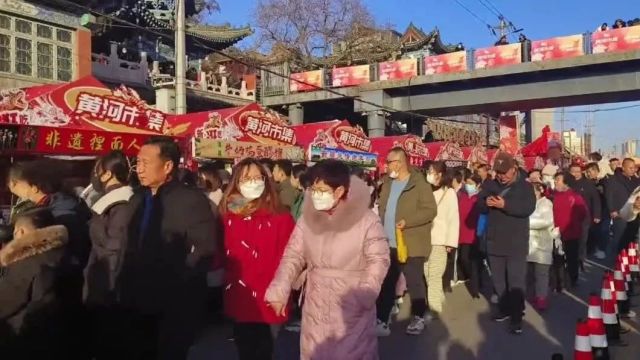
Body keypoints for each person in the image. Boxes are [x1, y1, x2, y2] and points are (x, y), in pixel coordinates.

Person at [266, 159, 390, 360]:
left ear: (339, 190)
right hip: (315, 299)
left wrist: (365, 294)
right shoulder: (309, 218)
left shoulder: (366, 220)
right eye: (313, 189)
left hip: (350, 301)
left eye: (321, 190)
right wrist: (280, 288)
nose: (316, 195)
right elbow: (293, 255)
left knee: (351, 353)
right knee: (315, 351)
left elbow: (378, 259)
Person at [118, 137, 219, 360]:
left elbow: (205, 249)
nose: (139, 168)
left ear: (168, 166)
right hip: (135, 298)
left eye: (146, 162)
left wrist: (180, 278)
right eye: (137, 162)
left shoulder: (190, 200)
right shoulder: (137, 200)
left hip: (175, 302)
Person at [220, 158, 295, 360]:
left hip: (271, 296)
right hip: (240, 295)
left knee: (264, 350)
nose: (253, 182)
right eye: (246, 178)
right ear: (237, 182)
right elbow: (219, 252)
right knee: (245, 349)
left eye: (257, 177)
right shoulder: (227, 215)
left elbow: (292, 257)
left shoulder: (281, 216)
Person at [378, 148, 437, 335]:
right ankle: (381, 318)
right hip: (389, 242)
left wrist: (408, 221)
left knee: (414, 281)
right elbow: (382, 207)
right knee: (387, 282)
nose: (386, 165)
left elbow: (430, 210)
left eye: (389, 162)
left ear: (400, 162)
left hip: (412, 242)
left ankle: (419, 316)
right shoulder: (387, 183)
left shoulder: (419, 184)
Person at [477, 152, 536, 335]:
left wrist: (505, 206)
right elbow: (478, 205)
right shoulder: (490, 184)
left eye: (504, 172)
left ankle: (517, 317)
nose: (501, 175)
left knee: (516, 282)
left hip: (516, 242)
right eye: (498, 172)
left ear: (514, 169)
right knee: (499, 281)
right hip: (495, 241)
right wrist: (485, 203)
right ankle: (504, 309)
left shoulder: (525, 187)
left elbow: (528, 208)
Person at [83, 151, 134, 359]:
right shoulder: (108, 199)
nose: (94, 175)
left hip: (110, 283)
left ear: (109, 173)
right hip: (103, 276)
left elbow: (117, 245)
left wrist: (106, 285)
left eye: (98, 170)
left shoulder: (120, 202)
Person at [0, 208, 69, 360]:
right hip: (59, 339)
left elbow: (6, 302)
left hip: (23, 340)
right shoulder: (62, 254)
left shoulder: (26, 264)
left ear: (22, 232)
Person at [426, 162, 459, 314]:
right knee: (427, 274)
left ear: (441, 174)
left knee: (434, 275)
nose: (430, 174)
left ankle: (434, 310)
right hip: (425, 240)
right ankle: (437, 298)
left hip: (440, 241)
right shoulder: (426, 191)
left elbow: (453, 219)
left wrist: (450, 242)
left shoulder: (449, 193)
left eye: (432, 171)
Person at [552, 172, 589, 288]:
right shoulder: (553, 196)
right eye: (555, 179)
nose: (555, 182)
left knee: (572, 258)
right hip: (556, 233)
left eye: (558, 179)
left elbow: (583, 213)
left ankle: (573, 279)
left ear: (566, 182)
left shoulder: (575, 197)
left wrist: (573, 224)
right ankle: (559, 282)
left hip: (571, 233)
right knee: (557, 259)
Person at [527, 182, 556, 311]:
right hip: (528, 244)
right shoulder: (527, 203)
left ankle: (541, 297)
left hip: (542, 244)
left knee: (541, 273)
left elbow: (546, 221)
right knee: (530, 273)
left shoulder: (546, 204)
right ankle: (535, 294)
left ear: (540, 191)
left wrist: (525, 223)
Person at [605, 158, 640, 255]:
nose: (633, 170)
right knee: (620, 238)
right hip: (620, 213)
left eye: (634, 168)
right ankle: (618, 261)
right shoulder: (613, 179)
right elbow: (609, 196)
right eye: (630, 168)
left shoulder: (636, 181)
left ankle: (630, 262)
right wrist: (612, 210)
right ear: (623, 168)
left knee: (632, 239)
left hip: (634, 213)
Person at [568, 163, 601, 264]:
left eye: (578, 172)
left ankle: (581, 259)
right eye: (573, 172)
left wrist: (597, 215)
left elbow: (596, 199)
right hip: (569, 215)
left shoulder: (588, 183)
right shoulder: (566, 183)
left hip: (584, 216)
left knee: (582, 238)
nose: (575, 174)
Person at [458, 174, 482, 298]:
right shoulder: (462, 197)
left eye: (471, 183)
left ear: (478, 185)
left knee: (471, 261)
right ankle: (473, 279)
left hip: (474, 235)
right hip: (461, 233)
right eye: (467, 182)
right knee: (464, 259)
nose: (468, 185)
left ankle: (475, 289)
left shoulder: (480, 199)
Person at [585, 162, 609, 260]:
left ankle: (601, 249)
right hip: (591, 210)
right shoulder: (587, 182)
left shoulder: (603, 182)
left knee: (602, 231)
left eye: (591, 171)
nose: (589, 173)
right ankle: (592, 249)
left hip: (603, 209)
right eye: (588, 171)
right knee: (592, 231)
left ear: (597, 171)